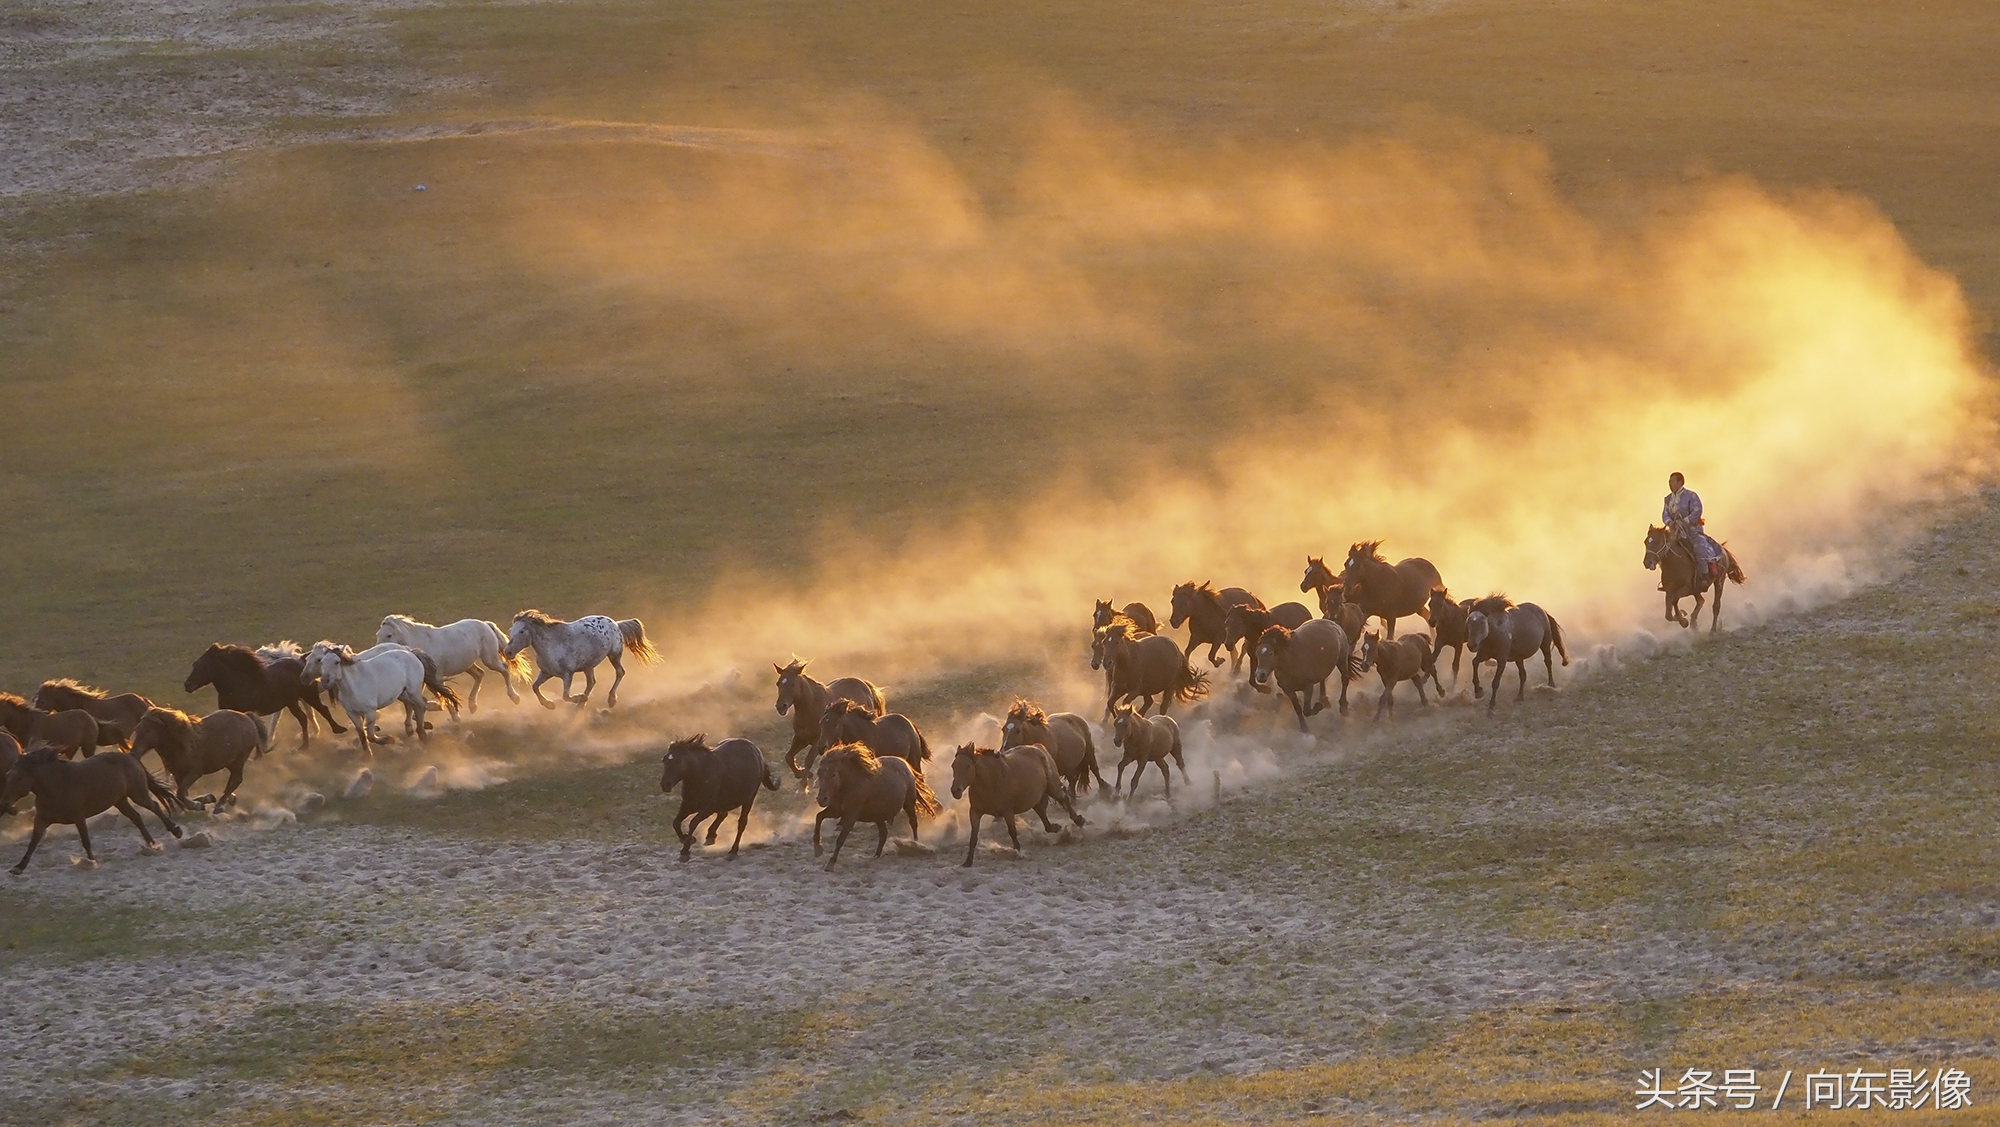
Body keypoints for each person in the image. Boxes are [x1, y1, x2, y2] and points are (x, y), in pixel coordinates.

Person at [1662, 471, 1723, 579]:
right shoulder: (1668, 499)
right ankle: (1669, 580)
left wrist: (1685, 521)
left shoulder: (1691, 496)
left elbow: (1697, 511)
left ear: (1680, 482)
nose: (1670, 485)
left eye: (1672, 482)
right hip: (1675, 533)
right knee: (1664, 551)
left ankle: (1704, 576)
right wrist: (1670, 522)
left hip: (1692, 531)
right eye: (1669, 482)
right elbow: (1665, 514)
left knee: (1699, 549)